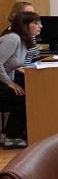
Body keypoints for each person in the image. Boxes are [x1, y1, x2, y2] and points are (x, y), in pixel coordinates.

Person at [0, 11, 42, 148]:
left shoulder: (25, 41)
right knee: (22, 97)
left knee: (27, 91)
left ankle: (11, 133)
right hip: (2, 82)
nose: (40, 26)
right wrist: (10, 83)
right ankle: (11, 137)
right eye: (36, 23)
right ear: (25, 25)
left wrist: (12, 82)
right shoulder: (13, 38)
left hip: (3, 80)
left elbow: (11, 65)